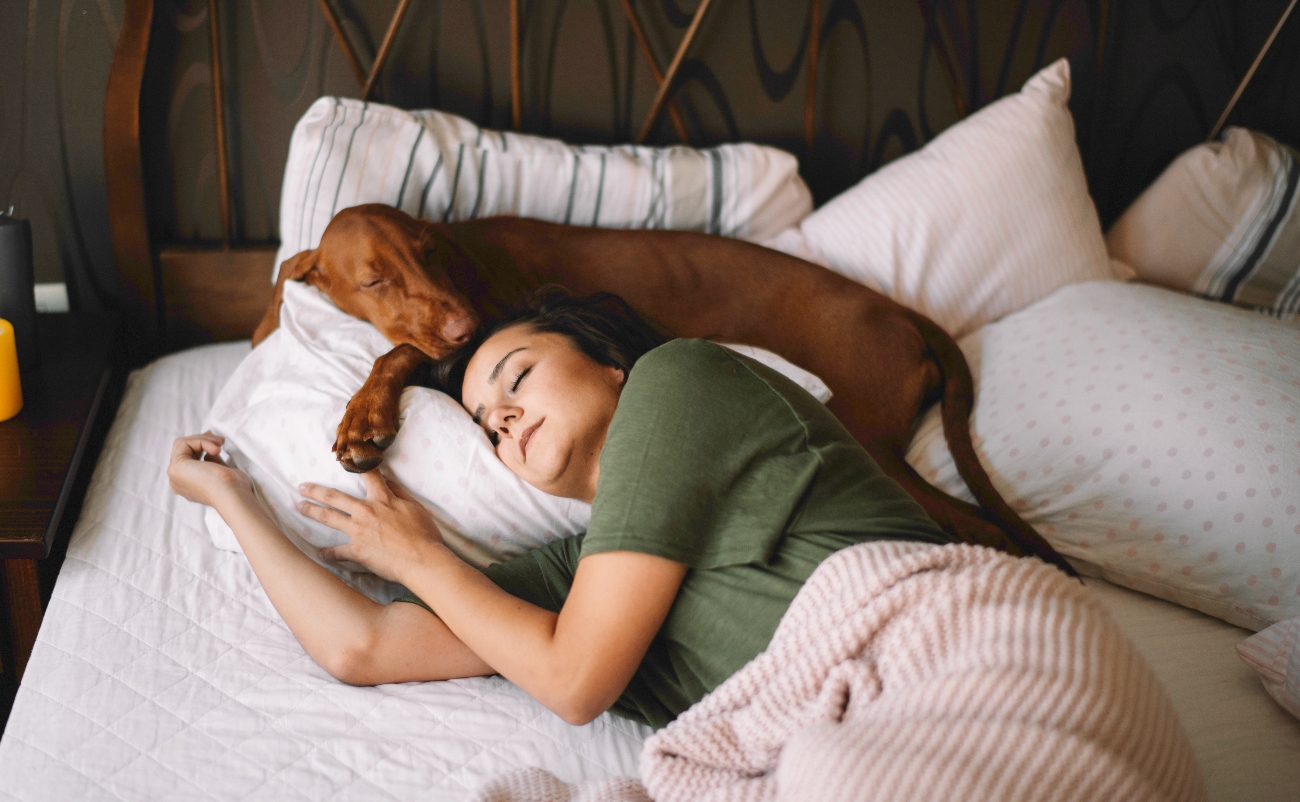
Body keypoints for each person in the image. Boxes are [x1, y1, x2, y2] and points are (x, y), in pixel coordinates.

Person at [168, 291, 951, 729]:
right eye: (484, 425)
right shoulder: (580, 582)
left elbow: (575, 681)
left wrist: (420, 558)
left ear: (609, 365)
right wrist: (231, 497)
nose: (501, 417)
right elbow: (360, 646)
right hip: (854, 744)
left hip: (945, 650)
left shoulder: (679, 380)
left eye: (518, 376)